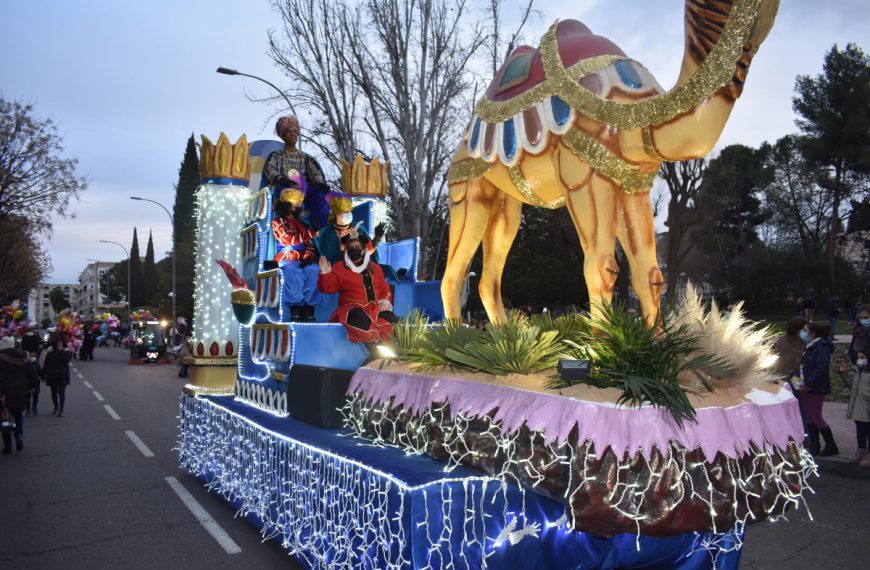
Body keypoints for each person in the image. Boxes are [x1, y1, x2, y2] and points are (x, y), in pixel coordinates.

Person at [317, 234, 396, 343]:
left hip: (374, 309)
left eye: (357, 247)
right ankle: (374, 340)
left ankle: (391, 347)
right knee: (358, 318)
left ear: (364, 250)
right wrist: (325, 274)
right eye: (351, 248)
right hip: (351, 309)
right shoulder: (339, 267)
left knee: (392, 319)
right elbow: (328, 288)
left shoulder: (376, 268)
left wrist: (384, 302)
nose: (354, 250)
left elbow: (384, 289)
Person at [263, 115, 333, 228]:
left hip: (305, 188)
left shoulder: (306, 157)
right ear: (283, 136)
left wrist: (319, 184)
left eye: (295, 132)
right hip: (285, 187)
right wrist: (280, 178)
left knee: (321, 194)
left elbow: (316, 174)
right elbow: (270, 170)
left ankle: (320, 227)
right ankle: (288, 226)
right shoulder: (276, 155)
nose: (293, 134)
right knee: (285, 192)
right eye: (289, 132)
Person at [272, 191, 322, 322]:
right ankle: (295, 307)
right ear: (286, 205)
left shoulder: (303, 224)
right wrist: (310, 234)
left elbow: (310, 245)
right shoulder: (277, 222)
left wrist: (308, 257)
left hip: (302, 259)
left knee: (314, 270)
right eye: (296, 205)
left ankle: (309, 307)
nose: (298, 208)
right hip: (286, 257)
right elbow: (287, 240)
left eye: (299, 205)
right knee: (292, 271)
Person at [800, 322, 838, 456]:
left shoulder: (821, 347)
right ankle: (814, 445)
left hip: (816, 387)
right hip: (807, 386)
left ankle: (831, 445)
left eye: (805, 331)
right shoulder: (809, 346)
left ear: (813, 333)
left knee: (816, 415)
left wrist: (808, 384)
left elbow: (821, 368)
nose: (803, 333)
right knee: (810, 416)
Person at [0, 336, 38, 453]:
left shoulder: (1, 358)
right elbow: (32, 373)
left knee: (5, 417)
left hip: (5, 393)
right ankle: (19, 435)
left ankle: (8, 445)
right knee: (18, 416)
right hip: (21, 390)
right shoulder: (24, 356)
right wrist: (32, 387)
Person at [773, 317, 808, 440]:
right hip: (784, 378)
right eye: (803, 329)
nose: (806, 332)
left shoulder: (803, 342)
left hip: (796, 377)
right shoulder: (781, 342)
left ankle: (803, 435)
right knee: (788, 405)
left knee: (800, 405)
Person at [42, 336, 72, 417]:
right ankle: (56, 406)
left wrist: (61, 351)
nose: (59, 345)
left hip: (63, 374)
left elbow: (66, 360)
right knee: (54, 392)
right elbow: (46, 364)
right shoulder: (50, 352)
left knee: (61, 391)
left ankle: (61, 409)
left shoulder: (66, 351)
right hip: (53, 374)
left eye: (61, 343)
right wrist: (43, 375)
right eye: (58, 343)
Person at [24, 351, 40, 416]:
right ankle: (31, 408)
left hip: (30, 382)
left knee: (30, 395)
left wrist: (43, 377)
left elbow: (40, 371)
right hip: (32, 382)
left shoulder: (25, 364)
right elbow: (40, 371)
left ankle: (31, 408)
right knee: (32, 395)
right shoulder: (35, 363)